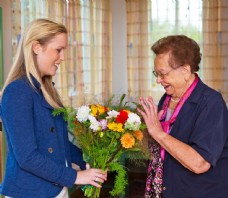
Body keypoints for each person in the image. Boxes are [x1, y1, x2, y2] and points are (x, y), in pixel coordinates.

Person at [0, 18, 107, 198]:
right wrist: (75, 176)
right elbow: (27, 157)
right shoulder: (17, 91)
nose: (62, 57)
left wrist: (86, 162)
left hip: (56, 188)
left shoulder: (46, 89)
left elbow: (58, 142)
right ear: (36, 47)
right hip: (30, 192)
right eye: (58, 50)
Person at [138, 35, 228, 198]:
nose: (158, 80)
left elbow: (200, 163)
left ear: (185, 70)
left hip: (199, 192)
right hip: (168, 189)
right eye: (156, 73)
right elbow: (161, 142)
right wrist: (145, 129)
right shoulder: (166, 99)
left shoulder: (211, 103)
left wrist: (158, 132)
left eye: (163, 74)